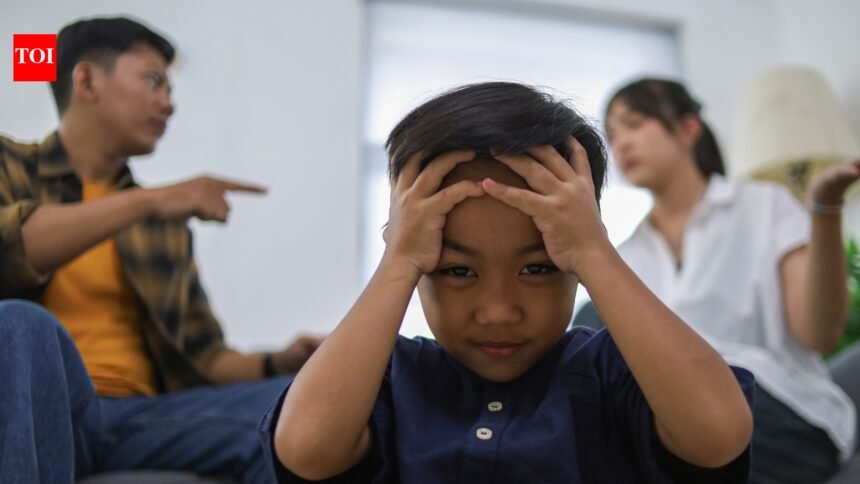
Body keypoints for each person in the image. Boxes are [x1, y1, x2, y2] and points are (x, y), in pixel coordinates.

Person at [259, 82, 755, 483]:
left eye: (537, 268)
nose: (498, 311)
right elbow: (306, 448)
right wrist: (398, 258)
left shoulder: (611, 371)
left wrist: (594, 250)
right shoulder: (390, 378)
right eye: (458, 271)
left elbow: (718, 432)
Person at [0, 16, 322, 483]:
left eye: (171, 89)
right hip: (38, 411)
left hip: (139, 420)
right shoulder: (11, 165)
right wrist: (148, 201)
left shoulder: (164, 224)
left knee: (305, 405)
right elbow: (11, 247)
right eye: (154, 81)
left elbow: (203, 356)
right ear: (86, 81)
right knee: (19, 322)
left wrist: (280, 362)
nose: (169, 104)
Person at [603, 77, 859, 483]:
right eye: (613, 135)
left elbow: (819, 335)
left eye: (634, 124)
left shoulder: (764, 205)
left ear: (688, 128)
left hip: (780, 411)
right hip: (679, 427)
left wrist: (825, 210)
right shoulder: (624, 257)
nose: (622, 144)